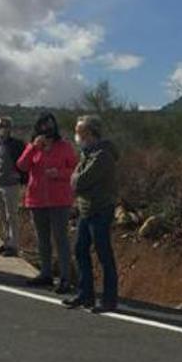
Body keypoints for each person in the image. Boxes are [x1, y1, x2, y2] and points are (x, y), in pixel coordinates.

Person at [16, 112, 77, 293]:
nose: (46, 129)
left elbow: (74, 170)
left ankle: (65, 278)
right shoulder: (34, 147)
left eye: (49, 125)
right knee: (42, 240)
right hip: (37, 200)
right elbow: (21, 166)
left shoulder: (64, 146)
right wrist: (33, 148)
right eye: (43, 126)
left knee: (61, 239)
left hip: (59, 200)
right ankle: (46, 273)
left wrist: (59, 174)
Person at [65, 115, 120, 312]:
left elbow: (79, 181)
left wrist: (76, 180)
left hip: (100, 209)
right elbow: (75, 179)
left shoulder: (102, 156)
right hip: (85, 209)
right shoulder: (87, 154)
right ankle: (85, 294)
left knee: (104, 254)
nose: (77, 136)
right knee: (80, 250)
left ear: (89, 133)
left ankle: (109, 299)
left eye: (79, 132)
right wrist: (76, 179)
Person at [0, 116, 26, 257]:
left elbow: (24, 164)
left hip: (11, 185)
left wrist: (21, 179)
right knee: (2, 215)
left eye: (3, 126)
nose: (0, 128)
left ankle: (14, 245)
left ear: (9, 128)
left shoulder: (16, 145)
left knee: (12, 216)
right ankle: (6, 242)